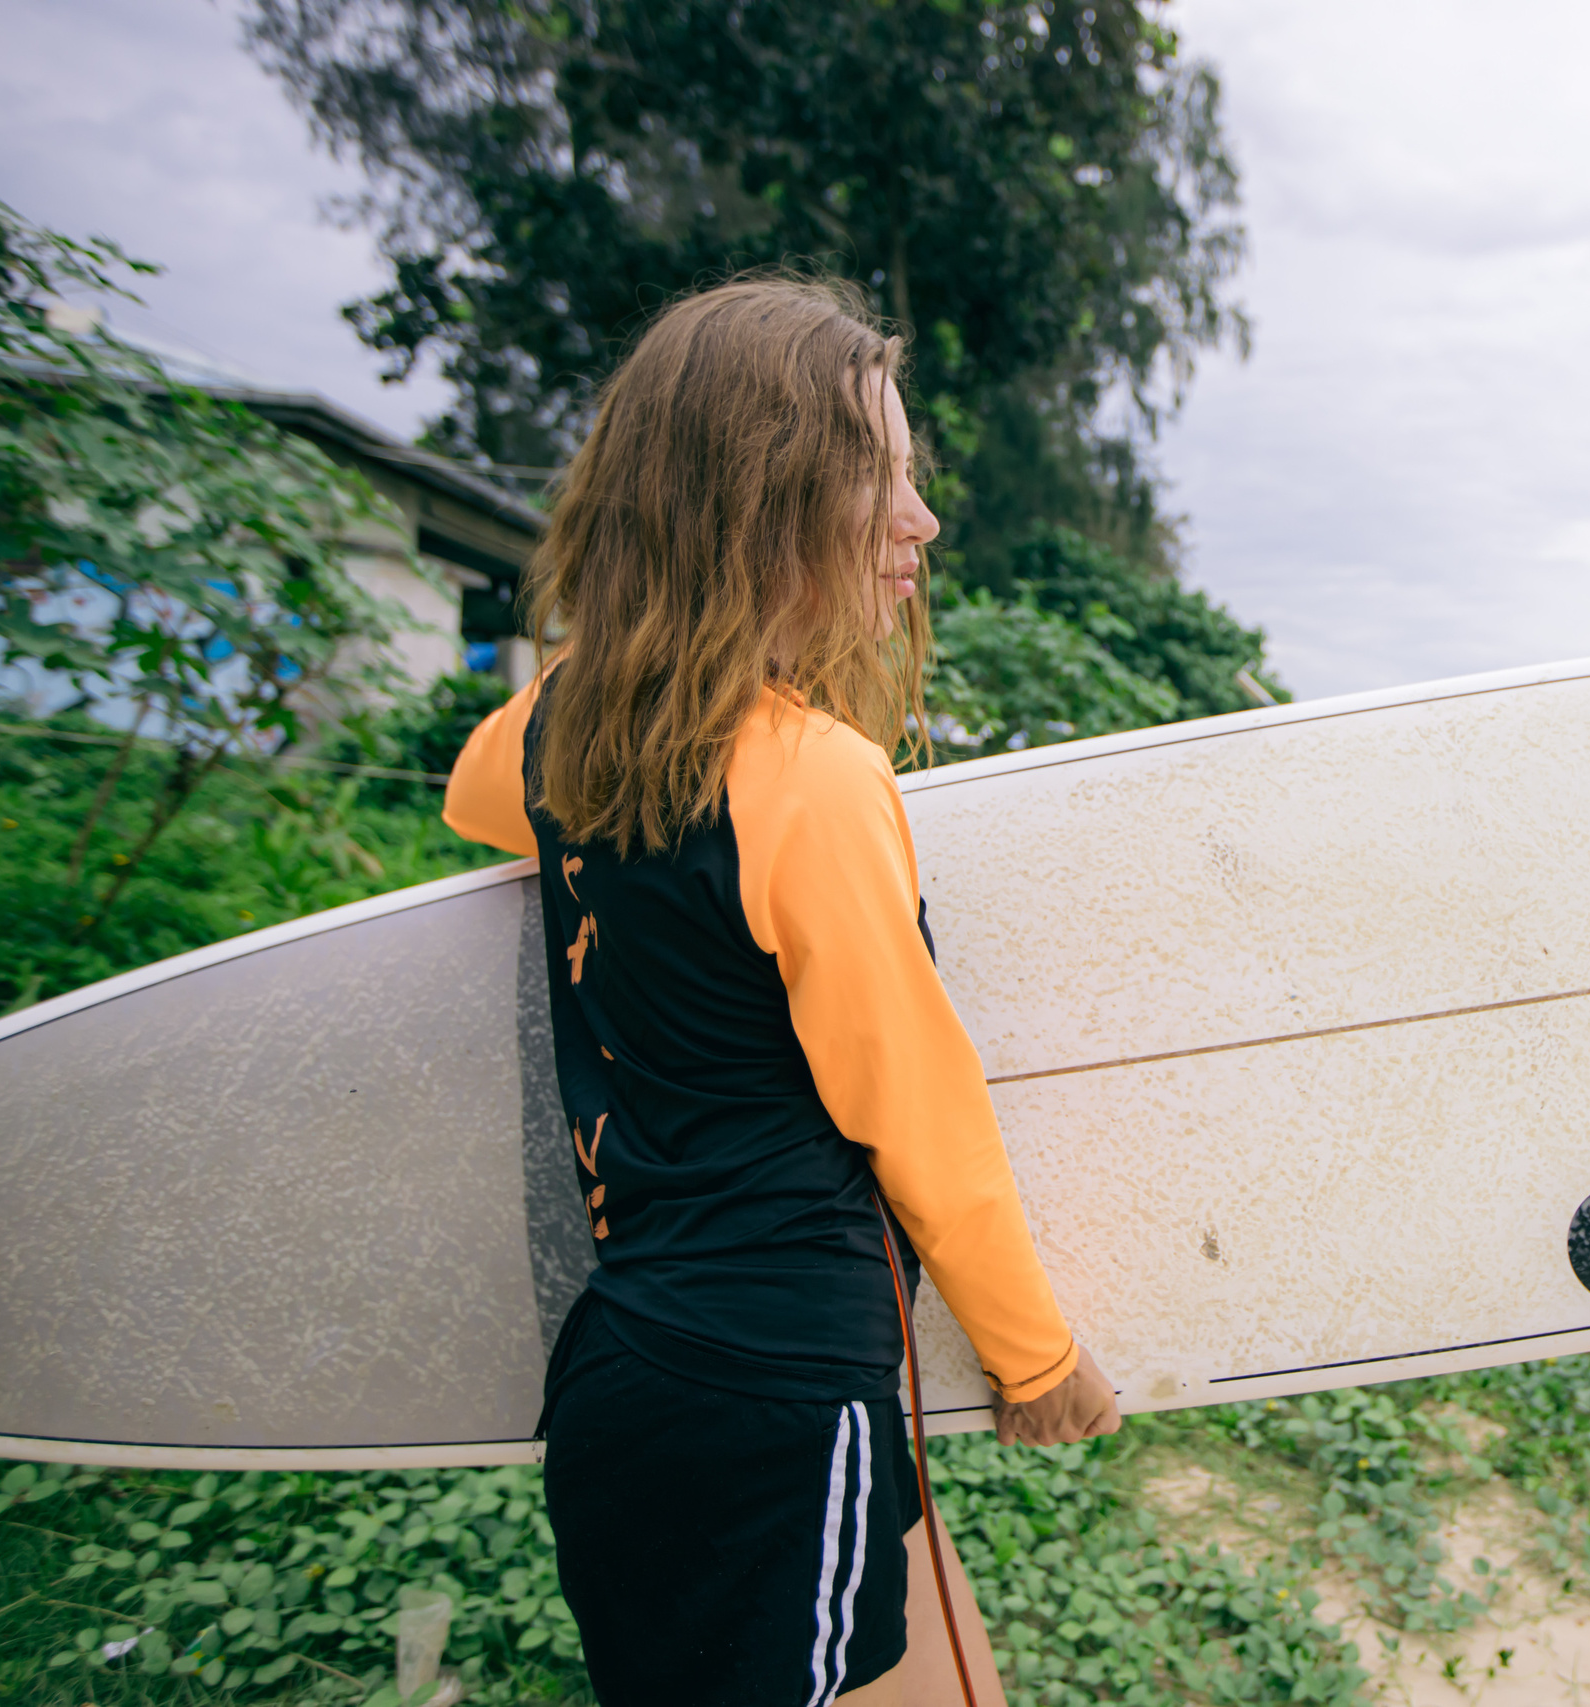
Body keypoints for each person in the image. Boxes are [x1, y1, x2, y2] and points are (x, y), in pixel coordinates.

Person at [441, 274, 1119, 1707]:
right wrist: (1036, 1354)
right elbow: (917, 1110)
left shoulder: (569, 732)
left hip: (629, 1378)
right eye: (875, 481)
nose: (920, 524)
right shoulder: (811, 781)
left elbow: (470, 796)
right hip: (776, 1398)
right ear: (758, 506)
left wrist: (623, 685)